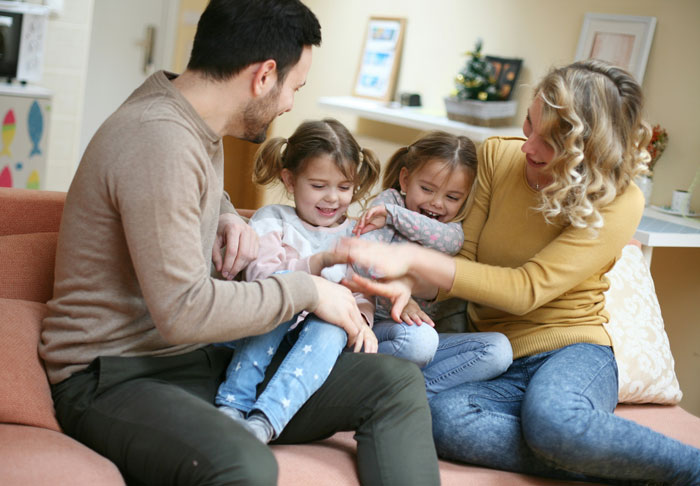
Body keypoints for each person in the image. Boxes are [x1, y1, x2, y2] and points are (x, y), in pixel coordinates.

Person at [39, 1, 440, 485]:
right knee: (244, 464)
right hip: (114, 375)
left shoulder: (189, 120)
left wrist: (226, 216)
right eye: (295, 87)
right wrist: (309, 290)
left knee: (394, 382)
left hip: (185, 359)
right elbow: (183, 309)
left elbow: (180, 191)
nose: (291, 102)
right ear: (264, 75)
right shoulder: (158, 139)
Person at [334, 59, 700, 484]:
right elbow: (464, 261)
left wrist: (415, 261)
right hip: (497, 356)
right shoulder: (496, 156)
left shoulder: (619, 199)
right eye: (530, 123)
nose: (528, 146)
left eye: (549, 142)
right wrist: (405, 286)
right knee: (440, 417)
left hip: (573, 350)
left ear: (586, 151)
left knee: (555, 420)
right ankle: (599, 459)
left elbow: (527, 288)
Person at [215, 118, 381, 443]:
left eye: (344, 187)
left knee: (335, 323)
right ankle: (232, 405)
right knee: (284, 284)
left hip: (317, 347)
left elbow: (364, 293)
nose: (332, 198)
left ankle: (264, 422)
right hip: (267, 328)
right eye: (318, 186)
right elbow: (263, 280)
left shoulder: (357, 235)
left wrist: (360, 321)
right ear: (290, 181)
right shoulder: (272, 220)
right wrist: (318, 262)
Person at [353, 131, 512, 397]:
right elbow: (366, 261)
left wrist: (395, 217)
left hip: (421, 332)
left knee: (499, 350)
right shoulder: (388, 202)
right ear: (405, 178)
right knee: (420, 343)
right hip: (377, 327)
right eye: (426, 189)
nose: (436, 203)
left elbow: (450, 241)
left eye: (452, 197)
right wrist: (397, 297)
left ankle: (406, 397)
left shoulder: (402, 216)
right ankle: (357, 384)